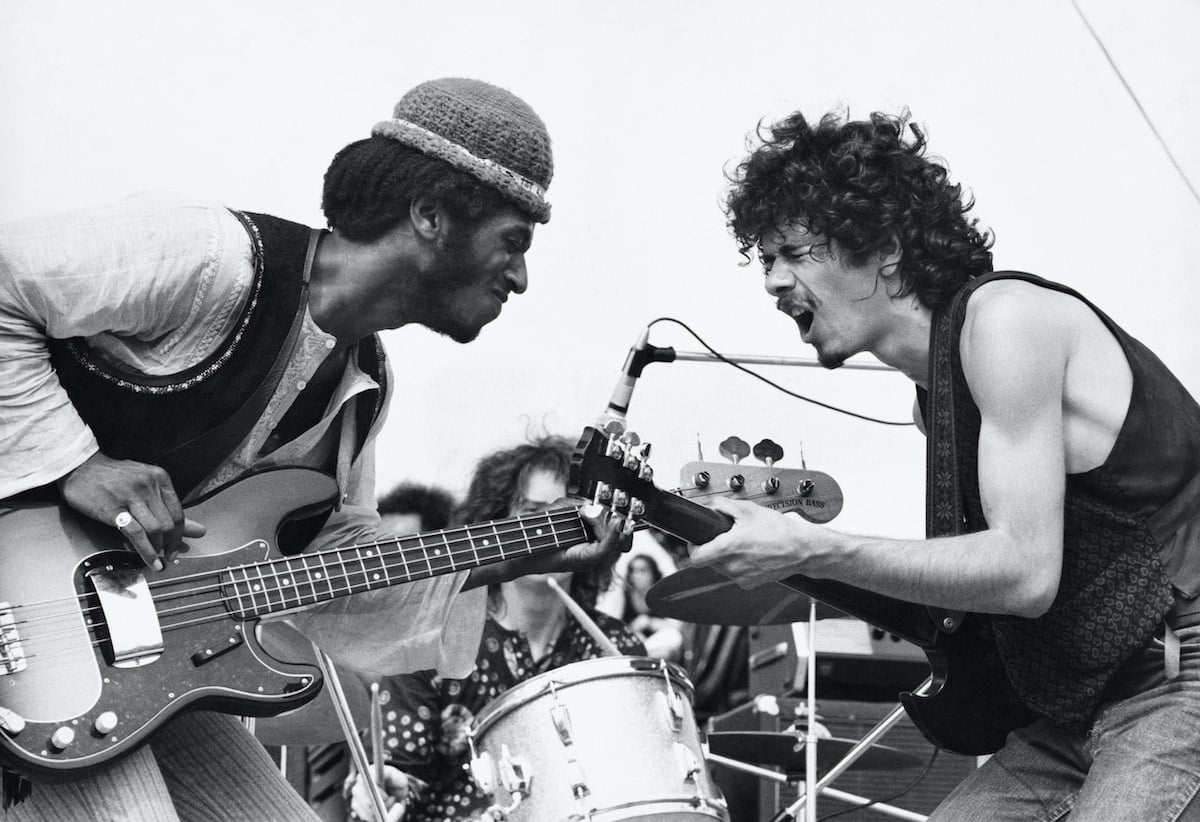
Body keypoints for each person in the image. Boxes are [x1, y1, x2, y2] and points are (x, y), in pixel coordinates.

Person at [0, 78, 626, 821]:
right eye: (514, 241)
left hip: (131, 660)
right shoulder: (210, 258)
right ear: (430, 215)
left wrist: (528, 549)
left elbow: (339, 570)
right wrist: (78, 464)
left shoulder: (364, 390)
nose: (521, 278)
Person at [689, 108, 1200, 820]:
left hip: (1181, 684)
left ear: (887, 249)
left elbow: (1025, 572)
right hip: (1082, 710)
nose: (773, 280)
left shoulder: (1006, 323)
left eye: (796, 252)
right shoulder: (936, 400)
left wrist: (815, 546)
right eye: (765, 259)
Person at [345, 436, 645, 822]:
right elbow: (400, 778)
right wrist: (381, 789)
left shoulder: (616, 650)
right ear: (494, 526)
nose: (554, 528)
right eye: (534, 512)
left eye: (573, 516)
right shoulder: (431, 640)